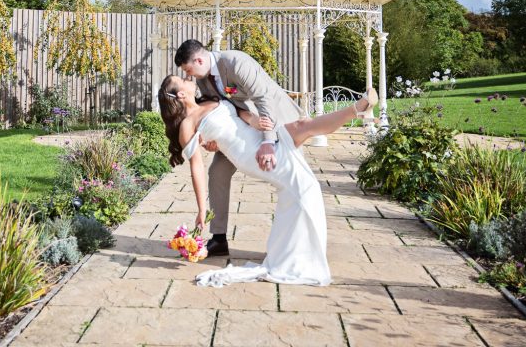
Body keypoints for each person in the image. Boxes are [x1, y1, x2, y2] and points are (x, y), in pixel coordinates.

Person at [158, 75, 377, 286]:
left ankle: (358, 109)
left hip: (262, 137)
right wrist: (201, 209)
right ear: (179, 96)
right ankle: (295, 253)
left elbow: (241, 115)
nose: (189, 80)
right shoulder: (187, 125)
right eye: (183, 81)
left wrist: (257, 121)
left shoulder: (209, 100)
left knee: (304, 126)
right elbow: (197, 166)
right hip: (250, 153)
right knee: (305, 186)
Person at [174, 39, 302, 257]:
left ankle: (296, 240)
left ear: (199, 59)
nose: (190, 76)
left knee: (290, 176)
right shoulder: (203, 80)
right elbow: (218, 106)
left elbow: (263, 98)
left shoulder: (236, 62)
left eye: (189, 70)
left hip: (275, 119)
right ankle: (219, 238)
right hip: (241, 127)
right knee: (217, 172)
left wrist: (268, 142)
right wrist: (213, 140)